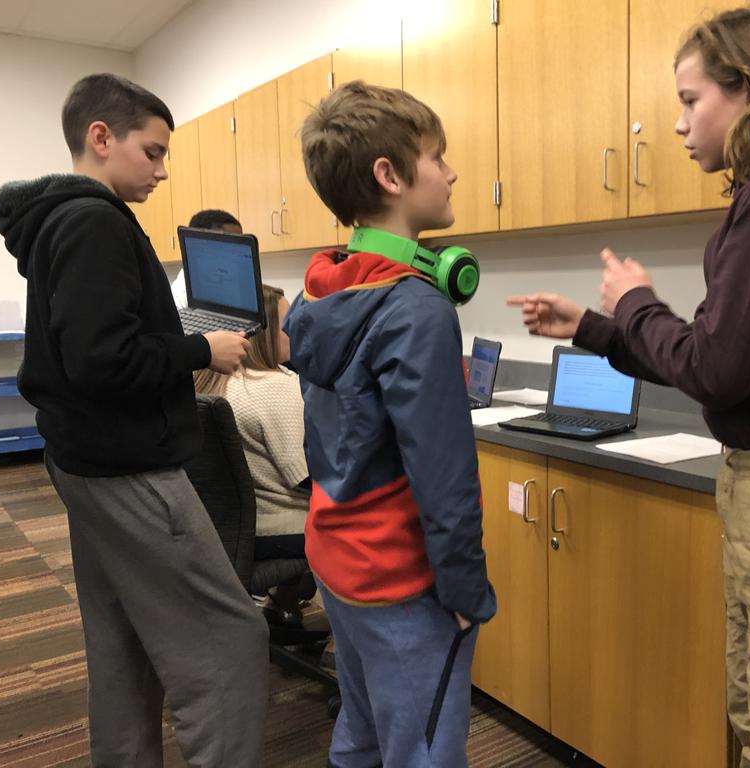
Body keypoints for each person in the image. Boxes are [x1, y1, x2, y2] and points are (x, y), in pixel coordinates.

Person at [508, 3, 750, 766]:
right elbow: (715, 357)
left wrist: (634, 303)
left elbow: (715, 369)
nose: (679, 124)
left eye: (692, 101)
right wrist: (596, 327)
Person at [0, 73, 268, 768]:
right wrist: (202, 349)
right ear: (101, 137)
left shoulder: (57, 219)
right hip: (129, 468)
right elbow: (101, 360)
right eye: (152, 151)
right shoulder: (94, 222)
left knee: (121, 639)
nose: (162, 170)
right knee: (232, 641)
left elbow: (88, 348)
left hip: (84, 460)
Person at [283, 80, 496, 767]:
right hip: (401, 580)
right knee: (423, 752)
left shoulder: (321, 291)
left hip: (336, 556)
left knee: (362, 734)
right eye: (438, 156)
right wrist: (464, 591)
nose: (452, 172)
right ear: (391, 176)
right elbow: (444, 476)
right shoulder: (416, 310)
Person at [193, 283, 313, 625]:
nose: (295, 331)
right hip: (278, 528)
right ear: (262, 334)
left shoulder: (204, 380)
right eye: (287, 323)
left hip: (221, 530)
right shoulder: (277, 388)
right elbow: (308, 478)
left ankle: (283, 604)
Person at [171, 208, 242, 308]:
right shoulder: (181, 298)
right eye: (230, 245)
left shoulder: (224, 281)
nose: (237, 253)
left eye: (239, 244)